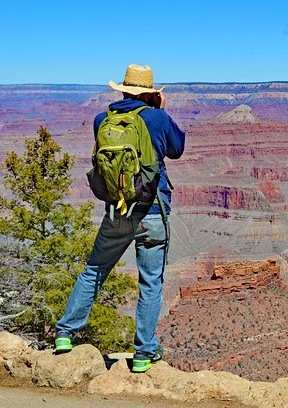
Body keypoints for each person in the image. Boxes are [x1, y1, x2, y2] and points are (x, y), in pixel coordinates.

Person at [55, 64, 185, 373]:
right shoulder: (157, 117)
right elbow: (177, 149)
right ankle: (144, 352)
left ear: (123, 90)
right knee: (150, 282)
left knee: (94, 270)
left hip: (117, 211)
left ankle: (64, 333)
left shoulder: (103, 119)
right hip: (151, 212)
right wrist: (160, 110)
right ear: (151, 94)